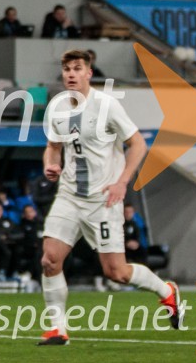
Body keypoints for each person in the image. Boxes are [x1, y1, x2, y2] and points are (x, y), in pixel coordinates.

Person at [39, 49, 182, 346]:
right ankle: (57, 329)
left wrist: (122, 182)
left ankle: (167, 291)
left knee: (116, 272)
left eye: (77, 68)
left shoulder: (107, 105)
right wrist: (50, 164)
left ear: (89, 73)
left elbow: (138, 144)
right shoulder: (57, 107)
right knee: (50, 260)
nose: (71, 74)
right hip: (69, 196)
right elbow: (53, 146)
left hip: (103, 200)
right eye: (67, 69)